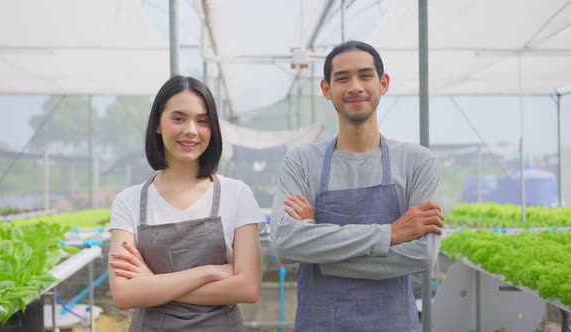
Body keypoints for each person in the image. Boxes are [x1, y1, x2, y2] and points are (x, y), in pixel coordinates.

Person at [270, 40, 444, 332]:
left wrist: (320, 254)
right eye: (342, 78)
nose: (355, 86)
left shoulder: (417, 162)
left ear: (383, 83)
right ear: (326, 89)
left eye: (365, 76)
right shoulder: (301, 162)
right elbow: (285, 244)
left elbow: (422, 256)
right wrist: (391, 233)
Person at [107, 75, 265, 331]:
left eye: (202, 121)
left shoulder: (237, 194)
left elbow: (248, 288)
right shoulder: (129, 201)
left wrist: (152, 284)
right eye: (178, 118)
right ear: (158, 123)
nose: (191, 130)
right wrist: (210, 272)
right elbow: (125, 294)